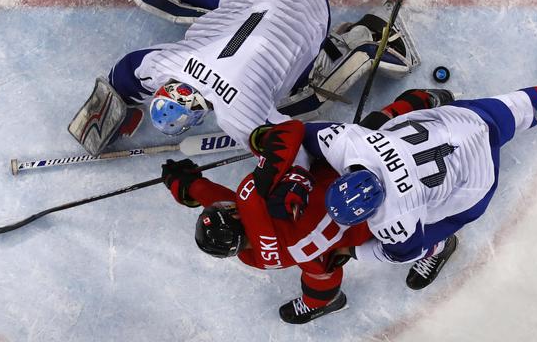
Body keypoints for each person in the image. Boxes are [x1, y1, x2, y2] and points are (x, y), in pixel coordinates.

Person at [64, 0, 418, 156]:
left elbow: (301, 146)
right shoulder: (168, 65)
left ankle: (361, 44)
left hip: (312, 15)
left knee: (297, 104)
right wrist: (124, 100)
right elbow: (127, 71)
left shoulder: (241, 117)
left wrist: (120, 110)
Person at [310, 55, 537, 290]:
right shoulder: (351, 144)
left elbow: (398, 253)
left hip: (474, 182)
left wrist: (351, 251)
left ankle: (440, 247)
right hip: (461, 124)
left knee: (436, 228)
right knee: (511, 109)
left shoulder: (395, 218)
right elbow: (307, 135)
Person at [161, 88, 448, 324]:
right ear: (235, 214)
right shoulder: (253, 202)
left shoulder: (262, 256)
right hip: (353, 178)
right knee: (373, 127)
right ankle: (425, 100)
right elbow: (290, 136)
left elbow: (324, 273)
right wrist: (189, 183)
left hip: (371, 218)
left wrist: (188, 187)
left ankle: (435, 244)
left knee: (401, 238)